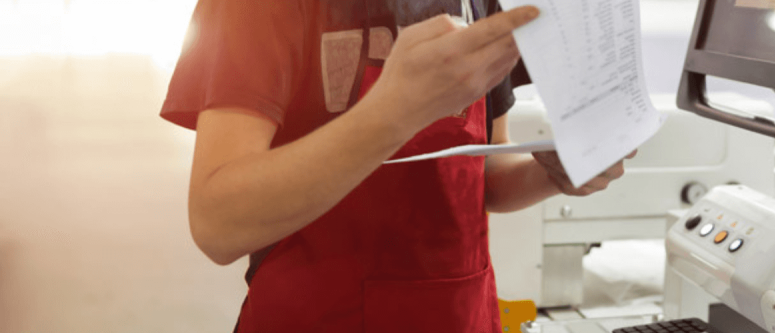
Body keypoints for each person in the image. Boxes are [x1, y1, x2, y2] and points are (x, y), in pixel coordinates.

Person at [159, 1, 632, 331]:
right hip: (319, 319)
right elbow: (218, 223)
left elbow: (481, 177)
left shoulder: (474, 3)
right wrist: (394, 112)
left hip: (460, 317)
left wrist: (551, 173)